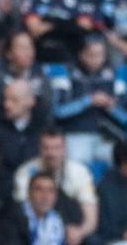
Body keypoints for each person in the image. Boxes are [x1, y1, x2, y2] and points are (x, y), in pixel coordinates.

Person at [52, 35, 127, 168]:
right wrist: (88, 101)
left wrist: (112, 107)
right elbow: (58, 111)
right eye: (91, 54)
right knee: (77, 169)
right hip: (76, 134)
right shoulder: (65, 71)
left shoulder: (117, 74)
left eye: (100, 54)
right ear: (81, 54)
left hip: (109, 137)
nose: (97, 59)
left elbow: (124, 118)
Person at [97, 142, 127, 244]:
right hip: (116, 244)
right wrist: (122, 234)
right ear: (121, 164)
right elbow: (104, 226)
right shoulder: (106, 187)